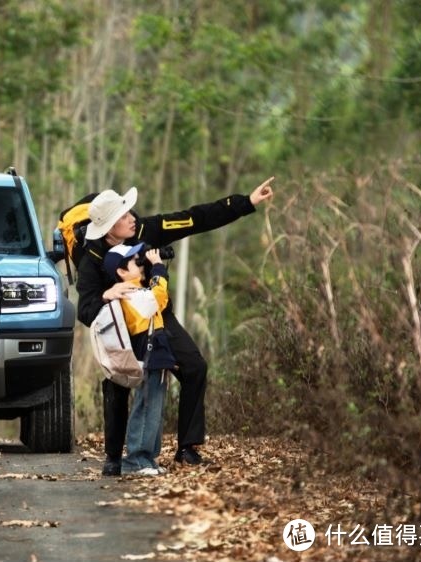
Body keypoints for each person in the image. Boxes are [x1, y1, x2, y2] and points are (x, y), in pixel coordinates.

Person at [76, 177, 275, 476]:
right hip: (120, 327)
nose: (132, 218)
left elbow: (194, 219)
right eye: (124, 216)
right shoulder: (90, 259)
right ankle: (114, 457)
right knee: (117, 385)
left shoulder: (145, 229)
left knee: (194, 367)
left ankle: (187, 448)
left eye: (130, 212)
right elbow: (85, 310)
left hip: (157, 316)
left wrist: (245, 203)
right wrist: (106, 295)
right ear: (108, 228)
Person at [103, 243, 178, 476]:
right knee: (146, 406)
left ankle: (148, 458)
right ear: (121, 272)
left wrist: (155, 270)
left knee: (154, 406)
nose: (141, 262)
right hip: (147, 354)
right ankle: (136, 459)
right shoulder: (127, 293)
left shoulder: (137, 290)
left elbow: (160, 301)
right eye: (136, 261)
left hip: (156, 352)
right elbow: (157, 297)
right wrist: (157, 268)